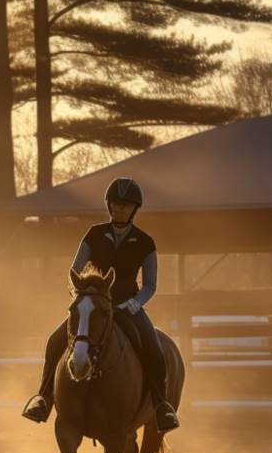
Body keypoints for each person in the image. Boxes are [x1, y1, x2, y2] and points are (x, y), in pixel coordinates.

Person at [20, 177, 180, 433]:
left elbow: (150, 285)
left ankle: (162, 407)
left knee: (154, 349)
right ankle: (43, 398)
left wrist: (135, 304)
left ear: (134, 209)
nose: (120, 210)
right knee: (55, 340)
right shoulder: (93, 235)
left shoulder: (145, 242)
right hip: (92, 305)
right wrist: (81, 296)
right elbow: (74, 271)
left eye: (126, 206)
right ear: (109, 206)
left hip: (127, 306)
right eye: (116, 205)